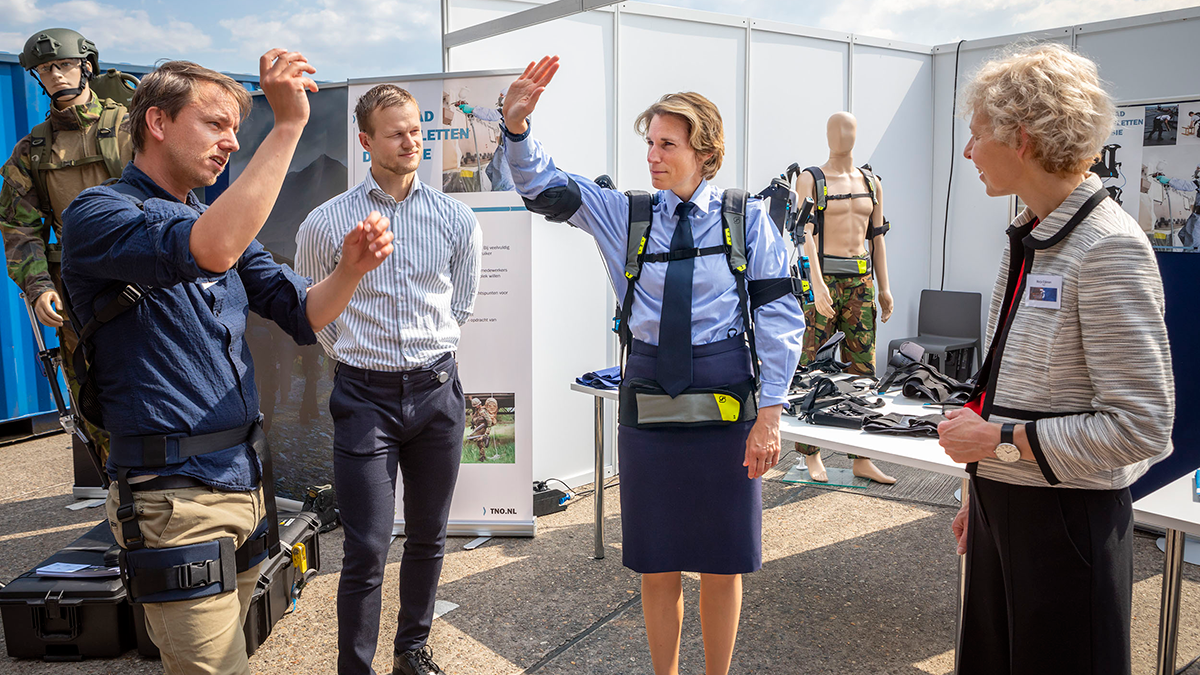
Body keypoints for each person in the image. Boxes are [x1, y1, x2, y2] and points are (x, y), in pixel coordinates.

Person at [61, 52, 395, 674]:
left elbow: (306, 313)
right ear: (157, 122)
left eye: (237, 129)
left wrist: (350, 270)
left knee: (233, 654)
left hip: (244, 483)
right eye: (216, 124)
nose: (231, 142)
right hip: (172, 499)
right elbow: (211, 250)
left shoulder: (210, 221)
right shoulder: (99, 214)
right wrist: (288, 126)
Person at [503, 56, 804, 675]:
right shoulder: (626, 214)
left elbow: (778, 320)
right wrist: (517, 132)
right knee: (656, 560)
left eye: (668, 144)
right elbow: (545, 187)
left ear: (705, 151)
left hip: (727, 404)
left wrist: (769, 415)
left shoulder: (748, 219)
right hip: (648, 407)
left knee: (723, 562)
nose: (653, 156)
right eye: (650, 143)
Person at [940, 43, 1174, 674]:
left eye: (975, 135)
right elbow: (1004, 385)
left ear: (1020, 138)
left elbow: (1142, 425)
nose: (968, 152)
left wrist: (1000, 443)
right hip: (1004, 508)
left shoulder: (1107, 249)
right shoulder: (1034, 234)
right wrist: (979, 488)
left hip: (1067, 527)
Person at [295, 83, 482, 675]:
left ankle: (412, 652)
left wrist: (425, 355)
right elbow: (313, 310)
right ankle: (356, 667)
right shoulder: (326, 223)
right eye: (396, 132)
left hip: (436, 395)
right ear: (366, 140)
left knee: (428, 536)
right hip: (364, 398)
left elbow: (462, 303)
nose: (411, 142)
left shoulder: (455, 217)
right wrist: (356, 356)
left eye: (417, 130)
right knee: (367, 547)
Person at [0, 28, 133, 466]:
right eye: (45, 69)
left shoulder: (133, 127)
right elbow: (19, 228)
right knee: (91, 395)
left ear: (86, 65)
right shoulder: (32, 150)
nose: (55, 75)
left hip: (147, 277)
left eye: (64, 64)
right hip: (77, 292)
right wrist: (38, 286)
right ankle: (122, 493)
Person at [791, 112, 897, 485]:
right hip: (823, 280)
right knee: (812, 366)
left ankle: (861, 456)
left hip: (860, 282)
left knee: (862, 369)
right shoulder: (811, 180)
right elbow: (803, 234)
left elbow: (878, 237)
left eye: (849, 129)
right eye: (836, 129)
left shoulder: (872, 182)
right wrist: (816, 283)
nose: (842, 135)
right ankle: (810, 453)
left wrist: (884, 287)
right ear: (826, 135)